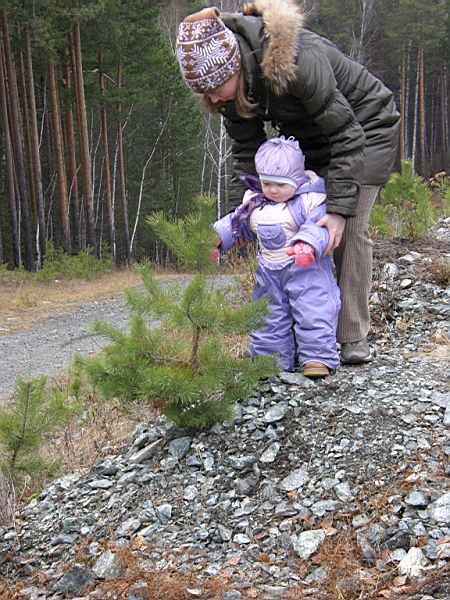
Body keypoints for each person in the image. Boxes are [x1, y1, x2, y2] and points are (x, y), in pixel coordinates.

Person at [176, 0, 401, 365]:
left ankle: (352, 334)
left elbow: (346, 134)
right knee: (291, 223)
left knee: (344, 227)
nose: (213, 98)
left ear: (234, 65)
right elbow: (247, 151)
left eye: (215, 87)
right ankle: (301, 337)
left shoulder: (294, 60)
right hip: (309, 141)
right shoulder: (231, 87)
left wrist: (338, 212)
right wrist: (241, 217)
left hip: (365, 128)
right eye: (205, 92)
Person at [214, 136, 341, 377]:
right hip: (269, 273)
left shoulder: (309, 201)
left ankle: (317, 358)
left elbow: (320, 226)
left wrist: (307, 243)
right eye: (267, 183)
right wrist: (219, 236)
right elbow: (238, 223)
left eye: (281, 184)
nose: (273, 190)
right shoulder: (255, 203)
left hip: (306, 270)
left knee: (314, 310)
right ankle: (270, 360)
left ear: (297, 179)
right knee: (268, 315)